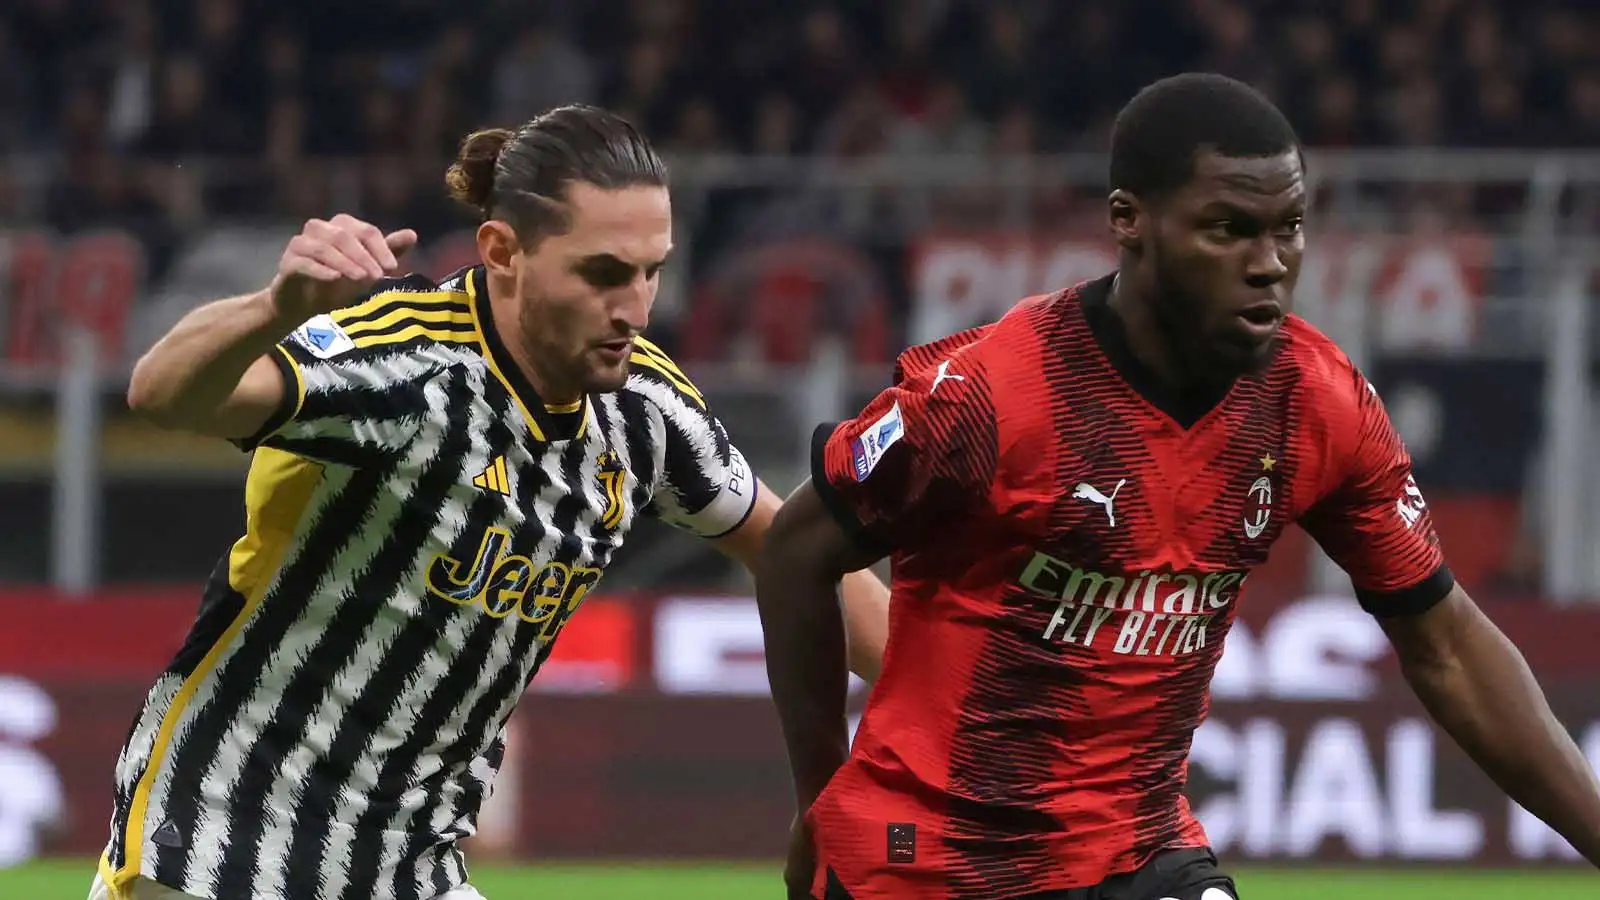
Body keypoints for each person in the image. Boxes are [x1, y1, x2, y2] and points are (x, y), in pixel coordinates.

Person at [755, 73, 1600, 900]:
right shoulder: (995, 396)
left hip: (1140, 851)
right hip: (929, 859)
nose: (1270, 265)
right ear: (1130, 221)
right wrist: (817, 797)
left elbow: (1446, 643)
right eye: (1228, 229)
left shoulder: (1317, 402)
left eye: (1289, 228)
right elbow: (796, 551)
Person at [95, 104, 889, 900]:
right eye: (603, 273)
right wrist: (277, 306)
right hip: (219, 841)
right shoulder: (405, 363)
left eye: (654, 271)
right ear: (502, 251)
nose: (638, 308)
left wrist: (959, 689)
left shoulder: (645, 407)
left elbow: (794, 552)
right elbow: (165, 394)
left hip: (411, 866)